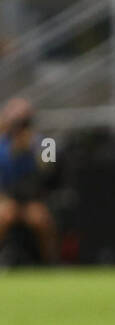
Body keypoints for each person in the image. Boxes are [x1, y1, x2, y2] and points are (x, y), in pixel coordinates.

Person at [0, 98, 55, 264]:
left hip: (33, 200)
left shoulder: (45, 143)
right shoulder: (3, 144)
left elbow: (50, 171)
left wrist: (32, 150)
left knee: (41, 219)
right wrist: (13, 153)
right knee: (4, 215)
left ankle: (51, 263)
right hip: (7, 199)